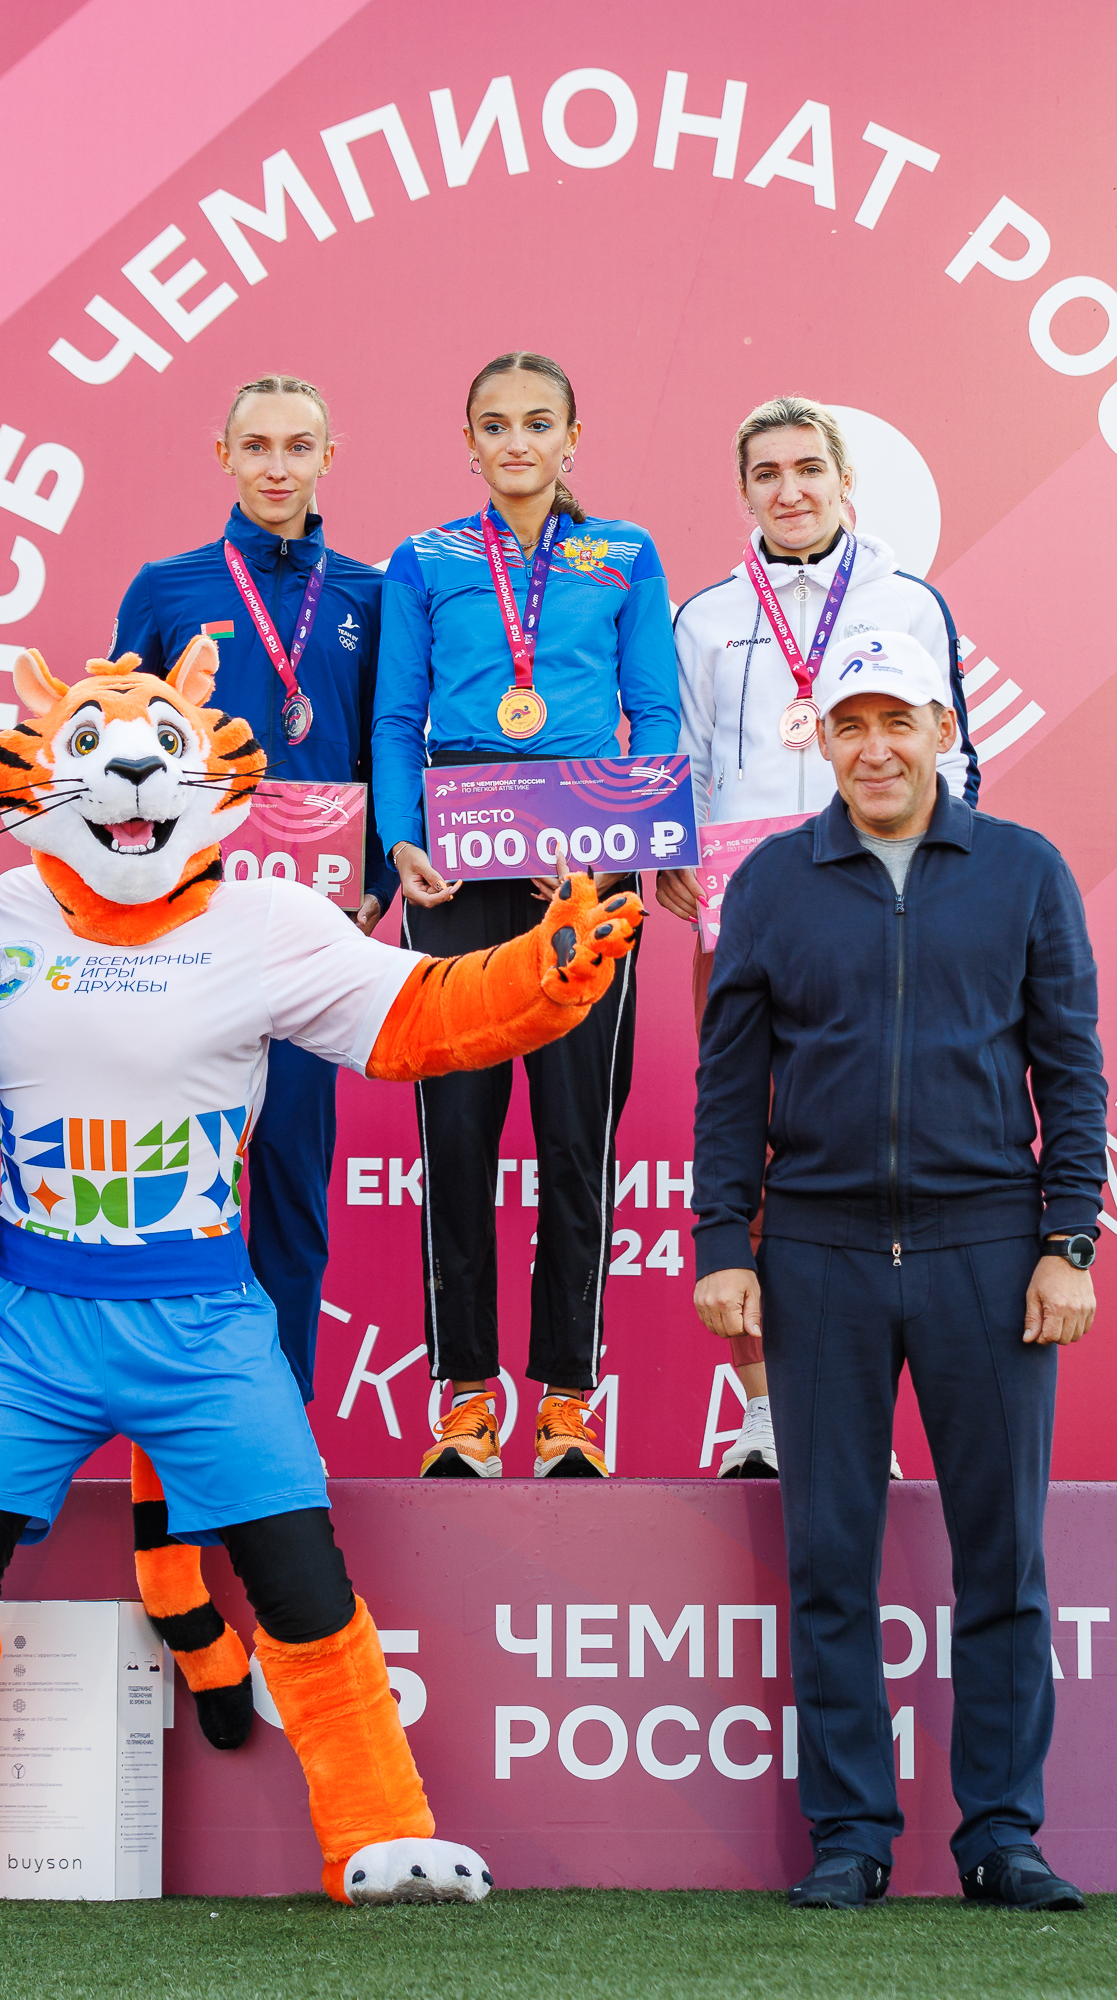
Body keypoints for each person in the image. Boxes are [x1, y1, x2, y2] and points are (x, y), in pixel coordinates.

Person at [0, 640, 643, 1912]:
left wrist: (547, 968)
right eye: (93, 754)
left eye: (156, 755)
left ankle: (378, 1833)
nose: (130, 776)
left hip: (200, 1317)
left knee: (301, 1583)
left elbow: (422, 1014)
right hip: (28, 1321)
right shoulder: (6, 913)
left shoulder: (270, 919)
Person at [689, 628, 1106, 1913]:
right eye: (851, 724)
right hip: (816, 1253)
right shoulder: (770, 880)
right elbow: (730, 1077)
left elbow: (1072, 1064)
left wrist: (1067, 1238)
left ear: (943, 732)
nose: (876, 748)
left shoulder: (1025, 870)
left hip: (990, 1247)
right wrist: (722, 1241)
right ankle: (852, 1835)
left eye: (899, 723)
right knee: (828, 1554)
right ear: (823, 737)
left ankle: (1001, 1835)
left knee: (1003, 1556)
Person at [371, 351, 680, 1479]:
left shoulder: (626, 554)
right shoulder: (426, 559)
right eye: (493, 424)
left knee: (574, 1138)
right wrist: (401, 837)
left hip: (586, 868)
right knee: (451, 1136)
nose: (515, 442)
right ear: (468, 443)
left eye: (536, 422)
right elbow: (397, 716)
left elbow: (652, 713)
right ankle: (461, 1398)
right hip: (458, 865)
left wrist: (613, 838)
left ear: (572, 438)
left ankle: (567, 1400)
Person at [662, 397, 975, 1478]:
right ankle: (764, 1412)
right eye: (765, 474)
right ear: (742, 490)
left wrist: (935, 889)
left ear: (846, 482)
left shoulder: (907, 602)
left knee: (866, 1145)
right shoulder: (702, 617)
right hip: (748, 914)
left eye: (807, 469)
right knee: (745, 1145)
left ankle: (857, 1420)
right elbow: (687, 767)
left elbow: (957, 761)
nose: (788, 490)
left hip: (881, 904)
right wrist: (676, 858)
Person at [112, 372, 393, 1405]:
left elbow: (387, 751)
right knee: (175, 1183)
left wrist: (370, 894)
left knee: (288, 1181)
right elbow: (115, 756)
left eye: (299, 446)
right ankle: (178, 1423)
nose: (278, 466)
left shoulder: (369, 593)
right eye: (259, 446)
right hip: (186, 932)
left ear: (329, 456)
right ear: (224, 456)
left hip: (315, 936)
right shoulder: (167, 586)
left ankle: (279, 1432)